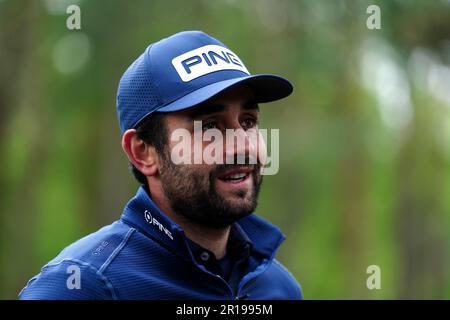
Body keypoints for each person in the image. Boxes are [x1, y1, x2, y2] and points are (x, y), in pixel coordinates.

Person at [19, 30, 303, 300]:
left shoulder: (277, 287)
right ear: (143, 152)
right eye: (210, 127)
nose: (242, 146)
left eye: (248, 122)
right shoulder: (82, 286)